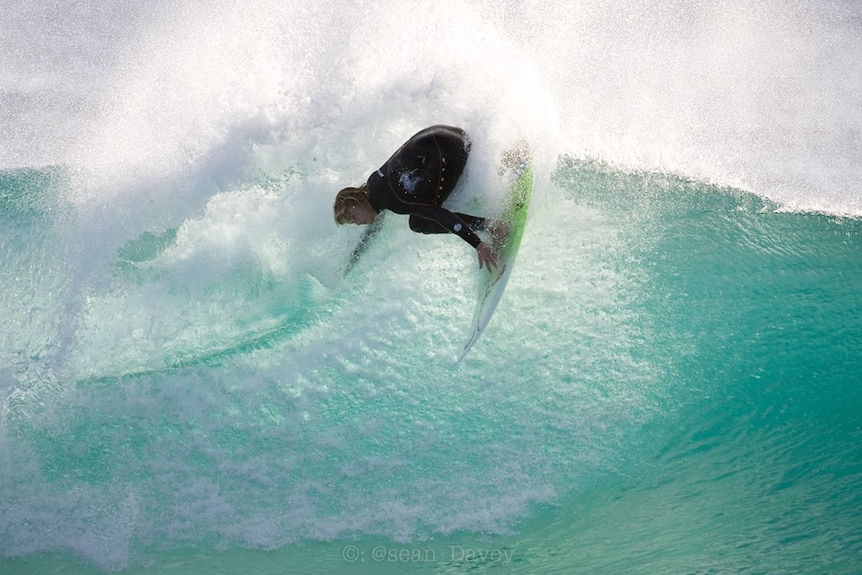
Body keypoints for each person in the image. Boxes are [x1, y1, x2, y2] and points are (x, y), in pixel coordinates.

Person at [334, 125, 507, 270]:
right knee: (424, 207)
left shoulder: (392, 199)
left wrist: (477, 244)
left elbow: (437, 214)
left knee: (420, 222)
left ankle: (493, 226)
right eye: (352, 221)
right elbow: (374, 226)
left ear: (358, 202)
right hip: (452, 136)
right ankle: (504, 162)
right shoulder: (374, 186)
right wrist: (353, 259)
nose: (356, 222)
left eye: (353, 216)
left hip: (448, 151)